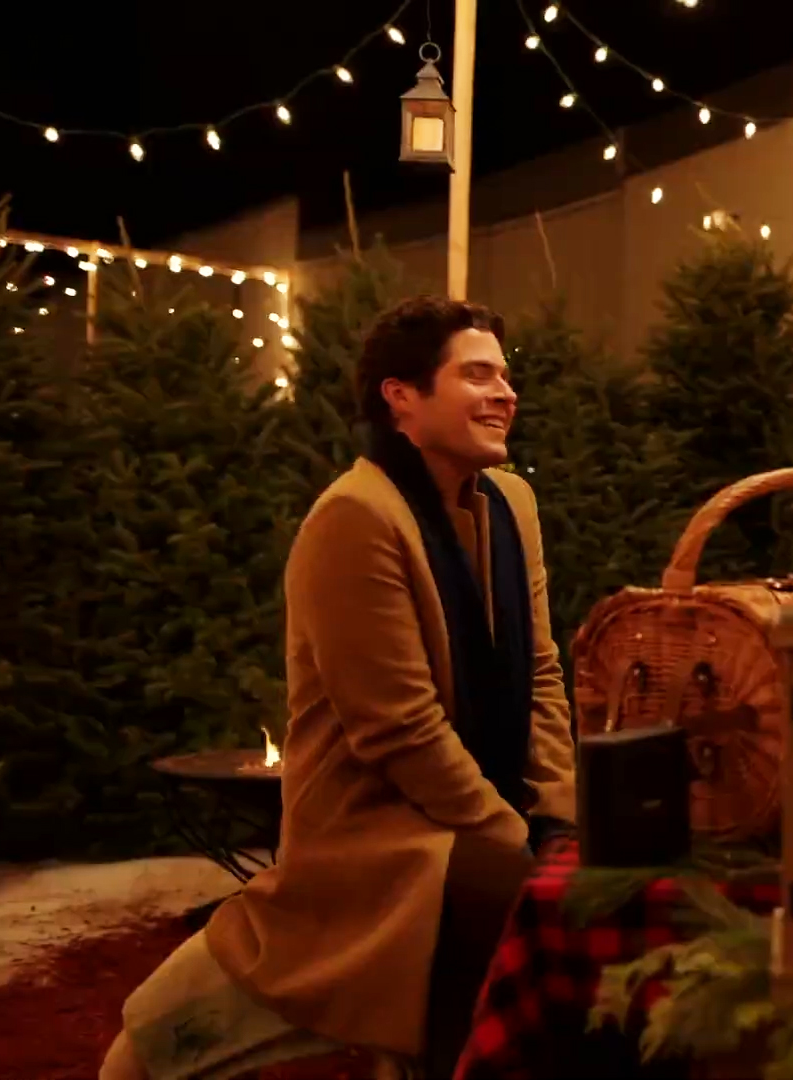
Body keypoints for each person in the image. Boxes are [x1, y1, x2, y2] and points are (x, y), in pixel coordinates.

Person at [101, 296, 578, 1080]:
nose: (505, 393)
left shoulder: (511, 505)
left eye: (505, 375)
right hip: (377, 832)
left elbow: (542, 672)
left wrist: (560, 812)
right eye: (477, 375)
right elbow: (400, 730)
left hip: (481, 812)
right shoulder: (354, 517)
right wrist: (516, 840)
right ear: (402, 397)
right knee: (520, 902)